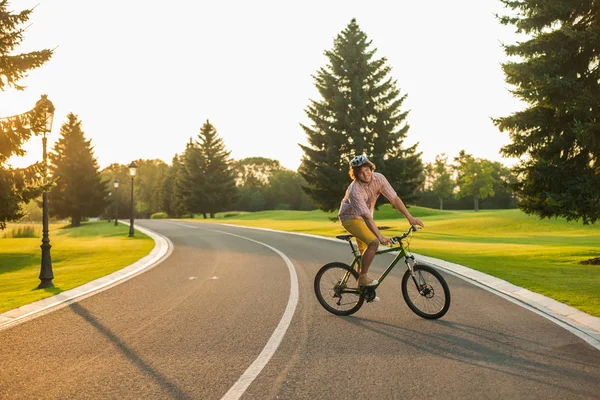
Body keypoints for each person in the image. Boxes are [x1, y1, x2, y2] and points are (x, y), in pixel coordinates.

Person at [338, 155, 424, 288]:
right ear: (355, 174)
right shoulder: (355, 190)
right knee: (374, 243)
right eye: (360, 172)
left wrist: (410, 218)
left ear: (371, 168)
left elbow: (394, 199)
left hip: (364, 218)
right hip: (350, 218)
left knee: (363, 256)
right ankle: (362, 279)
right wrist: (380, 236)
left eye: (366, 169)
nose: (365, 173)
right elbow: (366, 217)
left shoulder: (379, 178)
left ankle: (361, 289)